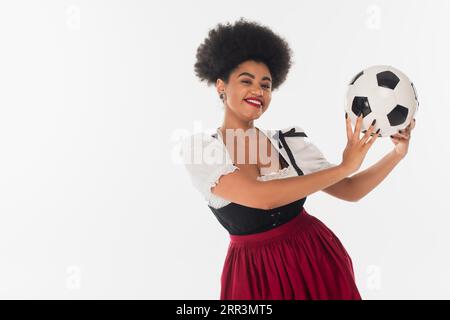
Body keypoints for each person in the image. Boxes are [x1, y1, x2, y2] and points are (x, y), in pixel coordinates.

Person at [181, 18, 416, 300]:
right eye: (247, 81)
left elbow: (350, 190)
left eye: (266, 85)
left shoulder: (288, 143)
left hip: (316, 257)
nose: (258, 91)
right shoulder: (203, 150)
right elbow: (262, 197)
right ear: (221, 86)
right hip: (254, 275)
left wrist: (397, 154)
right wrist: (344, 166)